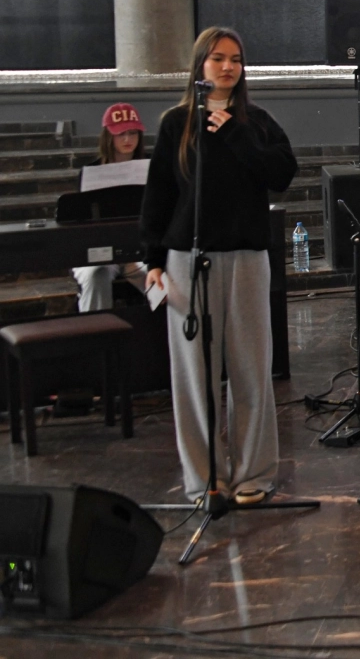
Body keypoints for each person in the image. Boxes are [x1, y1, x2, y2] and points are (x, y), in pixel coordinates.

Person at [140, 28, 297, 506]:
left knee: (251, 370)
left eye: (236, 59)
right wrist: (152, 259)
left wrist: (234, 133)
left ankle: (254, 475)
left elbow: (282, 174)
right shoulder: (177, 124)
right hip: (188, 262)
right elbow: (159, 195)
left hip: (246, 257)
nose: (228, 67)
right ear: (200, 65)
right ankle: (205, 478)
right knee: (195, 376)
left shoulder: (258, 123)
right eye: (217, 58)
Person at [73, 102, 148, 312]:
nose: (128, 139)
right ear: (108, 136)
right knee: (97, 274)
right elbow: (79, 220)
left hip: (139, 249)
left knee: (161, 276)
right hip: (99, 250)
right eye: (120, 134)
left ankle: (165, 327)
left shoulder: (152, 167)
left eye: (133, 133)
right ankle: (96, 328)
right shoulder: (91, 172)